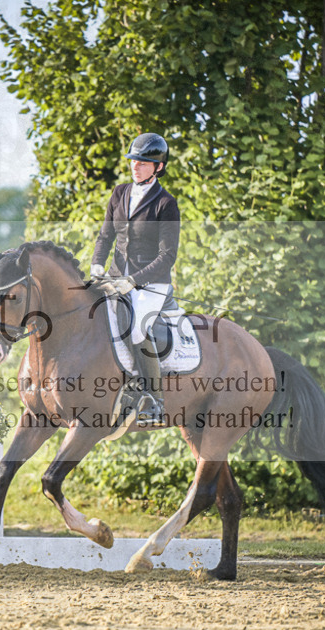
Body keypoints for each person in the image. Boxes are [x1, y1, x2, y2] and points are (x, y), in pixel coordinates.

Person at [90, 132, 180, 427]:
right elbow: (106, 236)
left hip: (151, 283)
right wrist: (96, 265)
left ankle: (154, 400)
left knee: (138, 327)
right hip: (116, 278)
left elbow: (167, 256)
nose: (135, 166)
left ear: (159, 167)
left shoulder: (166, 204)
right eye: (133, 161)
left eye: (143, 162)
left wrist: (133, 280)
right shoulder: (119, 193)